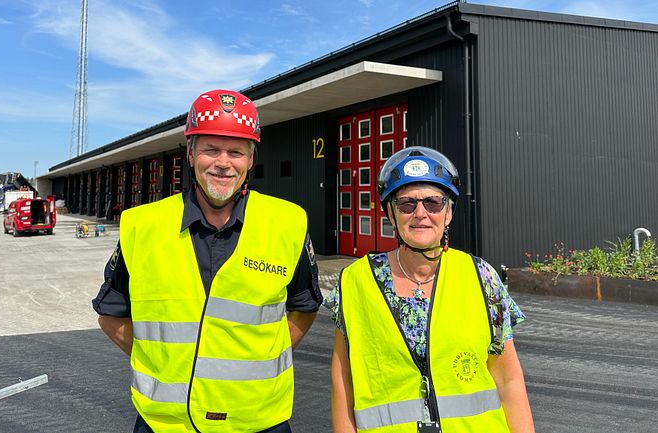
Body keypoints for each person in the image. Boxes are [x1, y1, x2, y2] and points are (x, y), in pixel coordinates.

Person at [92, 89, 323, 433]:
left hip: (259, 422)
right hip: (165, 424)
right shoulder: (142, 225)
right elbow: (111, 315)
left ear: (251, 159)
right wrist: (168, 365)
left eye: (236, 152)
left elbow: (304, 306)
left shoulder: (287, 223)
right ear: (190, 153)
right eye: (211, 150)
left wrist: (257, 360)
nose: (223, 163)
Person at [326, 146, 535, 433]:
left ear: (448, 212)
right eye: (406, 204)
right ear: (391, 213)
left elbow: (508, 379)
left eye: (434, 203)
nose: (421, 214)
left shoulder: (481, 276)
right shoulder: (355, 281)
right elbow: (343, 380)